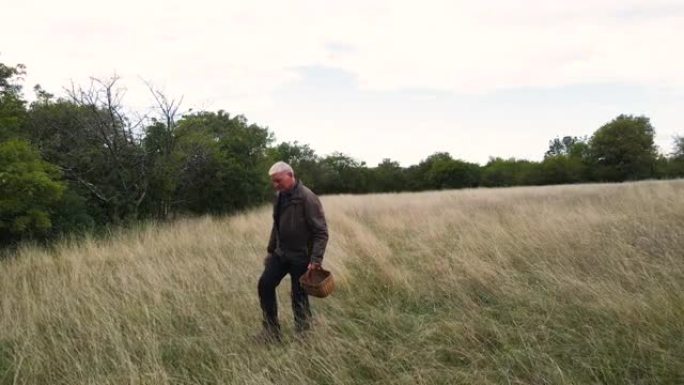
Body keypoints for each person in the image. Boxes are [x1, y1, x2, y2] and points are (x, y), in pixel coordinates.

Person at [256, 161, 328, 342]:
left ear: (290, 175)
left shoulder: (307, 198)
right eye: (273, 181)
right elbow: (277, 226)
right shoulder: (280, 196)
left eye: (278, 180)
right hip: (281, 254)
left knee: (299, 296)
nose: (275, 185)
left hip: (302, 258)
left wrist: (316, 260)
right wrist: (271, 251)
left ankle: (304, 335)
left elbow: (321, 232)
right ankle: (271, 332)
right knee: (265, 285)